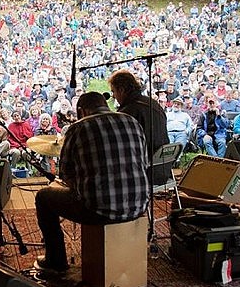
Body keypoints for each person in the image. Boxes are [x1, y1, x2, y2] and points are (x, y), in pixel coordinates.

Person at [34, 92, 149, 273]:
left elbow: (65, 173)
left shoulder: (79, 127)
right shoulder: (132, 122)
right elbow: (143, 163)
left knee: (43, 197)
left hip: (98, 210)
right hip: (138, 207)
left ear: (81, 111)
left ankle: (56, 261)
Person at [108, 69, 169, 183]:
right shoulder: (153, 103)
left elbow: (122, 146)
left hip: (143, 172)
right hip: (163, 167)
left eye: (114, 92)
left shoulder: (128, 112)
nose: (114, 96)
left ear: (121, 90)